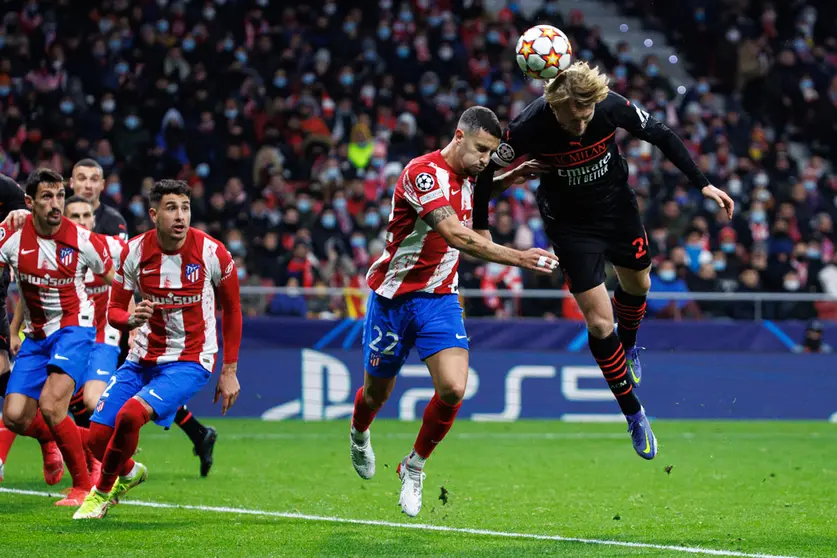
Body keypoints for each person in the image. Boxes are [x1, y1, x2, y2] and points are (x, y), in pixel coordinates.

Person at [473, 62, 735, 460]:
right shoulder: (527, 127)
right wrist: (482, 227)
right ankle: (633, 413)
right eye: (574, 117)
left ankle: (628, 347)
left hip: (617, 211)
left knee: (639, 286)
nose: (582, 123)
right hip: (570, 226)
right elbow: (483, 174)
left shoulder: (609, 105)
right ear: (555, 105)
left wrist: (704, 183)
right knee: (598, 322)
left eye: (587, 115)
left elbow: (661, 134)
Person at [349, 106, 560, 517]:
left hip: (440, 299)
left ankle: (414, 466)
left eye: (491, 153)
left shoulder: (472, 175)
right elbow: (456, 233)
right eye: (481, 150)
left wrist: (506, 178)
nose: (485, 160)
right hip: (393, 299)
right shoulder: (422, 173)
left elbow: (467, 198)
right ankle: (359, 434)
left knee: (454, 389)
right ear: (459, 136)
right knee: (377, 394)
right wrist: (520, 257)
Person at [74, 179, 242, 520]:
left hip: (190, 360)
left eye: (185, 208)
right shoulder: (134, 252)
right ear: (154, 214)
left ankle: (100, 494)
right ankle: (130, 471)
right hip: (141, 359)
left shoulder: (213, 253)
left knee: (130, 415)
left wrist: (229, 370)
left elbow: (234, 310)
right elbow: (115, 311)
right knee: (95, 439)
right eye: (171, 208)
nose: (180, 216)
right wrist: (131, 319)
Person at [0, 168, 114, 506]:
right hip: (36, 336)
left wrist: (133, 318)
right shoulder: (12, 235)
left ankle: (82, 487)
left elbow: (114, 278)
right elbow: (19, 287)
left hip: (73, 329)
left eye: (60, 196)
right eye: (47, 197)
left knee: (51, 405)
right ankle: (104, 449)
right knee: (15, 415)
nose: (55, 204)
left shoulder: (81, 238)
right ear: (29, 202)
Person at [0, 173, 64, 486]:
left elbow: (36, 223)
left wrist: (25, 215)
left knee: (6, 388)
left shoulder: (6, 190)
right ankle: (47, 436)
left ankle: (51, 439)